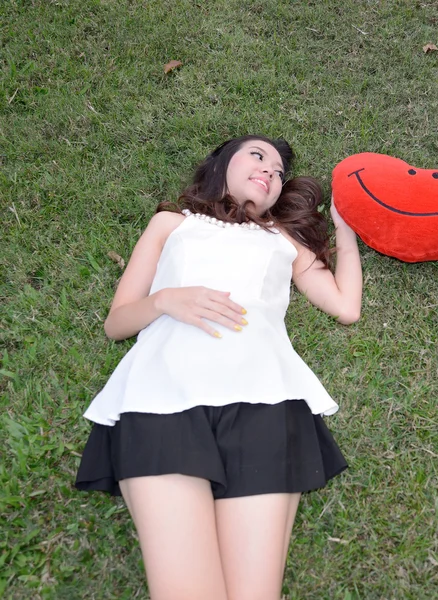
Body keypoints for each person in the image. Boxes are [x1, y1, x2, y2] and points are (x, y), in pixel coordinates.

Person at [75, 134, 362, 600]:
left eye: (278, 171)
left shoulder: (282, 238)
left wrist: (344, 233)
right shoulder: (172, 224)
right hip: (159, 402)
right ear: (222, 163)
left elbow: (346, 306)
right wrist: (166, 300)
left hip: (266, 407)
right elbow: (116, 323)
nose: (270, 171)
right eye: (258, 156)